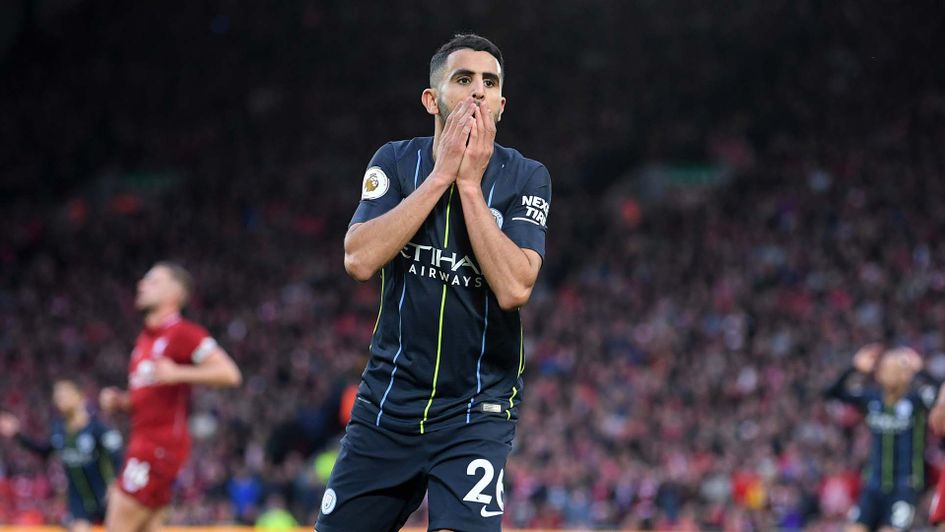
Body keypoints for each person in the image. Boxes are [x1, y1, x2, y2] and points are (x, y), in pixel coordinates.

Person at [319, 33, 551, 532]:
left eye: (489, 83)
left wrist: (468, 184)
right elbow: (358, 258)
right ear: (432, 98)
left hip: (476, 412)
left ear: (502, 104)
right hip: (387, 404)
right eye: (463, 79)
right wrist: (440, 177)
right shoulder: (396, 162)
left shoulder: (527, 177)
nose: (477, 92)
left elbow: (515, 288)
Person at [98, 261, 242, 532]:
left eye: (152, 281)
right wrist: (121, 401)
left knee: (117, 521)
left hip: (158, 448)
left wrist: (179, 372)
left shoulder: (182, 333)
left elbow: (229, 373)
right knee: (148, 526)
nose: (141, 284)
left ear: (174, 295)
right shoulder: (144, 341)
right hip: (143, 443)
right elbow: (146, 400)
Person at [824, 344, 940, 532]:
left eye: (896, 368)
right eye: (886, 367)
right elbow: (832, 393)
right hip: (873, 485)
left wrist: (922, 371)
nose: (890, 373)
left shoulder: (917, 400)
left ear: (906, 373)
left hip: (904, 486)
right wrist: (854, 368)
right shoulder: (872, 399)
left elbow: (941, 394)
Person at [0, 379, 123, 532]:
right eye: (57, 396)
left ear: (80, 395)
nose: (60, 399)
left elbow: (118, 456)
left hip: (105, 495)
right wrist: (18, 434)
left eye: (64, 393)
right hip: (78, 501)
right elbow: (44, 451)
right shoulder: (59, 429)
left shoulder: (97, 427)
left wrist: (116, 485)